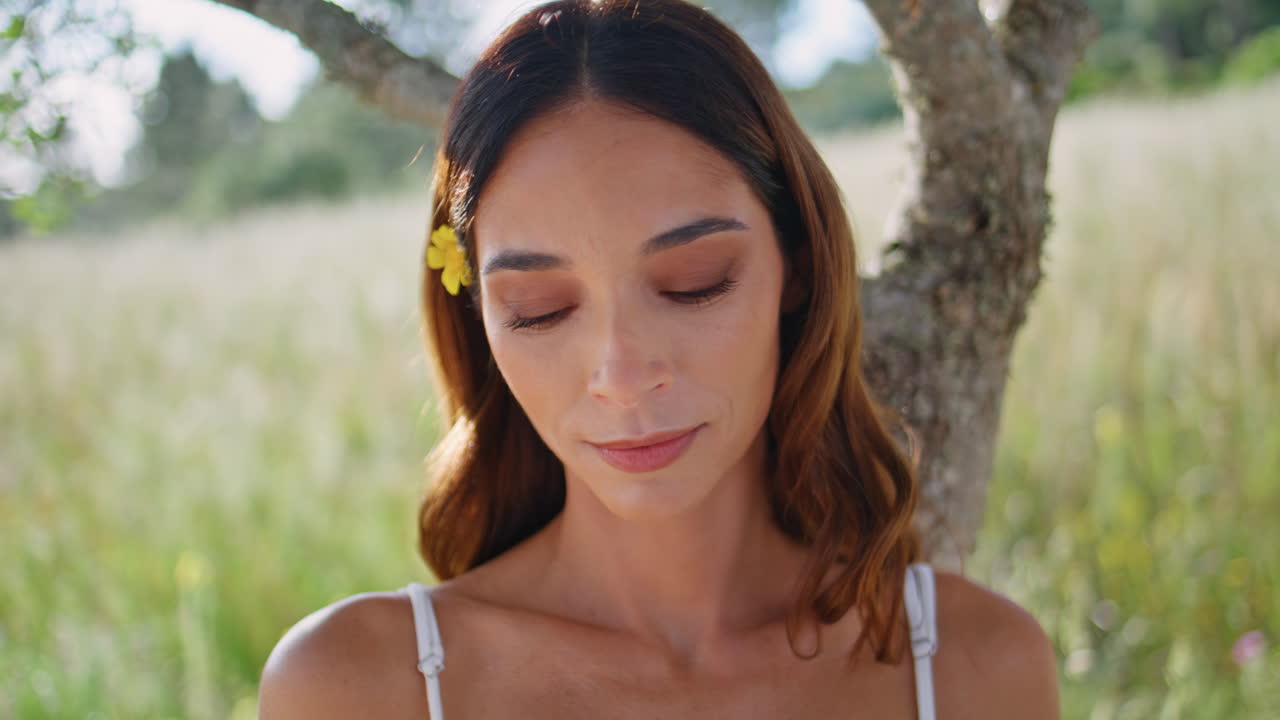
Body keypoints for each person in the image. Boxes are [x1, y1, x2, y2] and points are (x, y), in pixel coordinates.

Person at [259, 1, 1060, 717]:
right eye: (540, 309)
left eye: (694, 284)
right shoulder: (358, 686)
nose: (621, 374)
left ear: (799, 265)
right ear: (480, 319)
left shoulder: (973, 668)